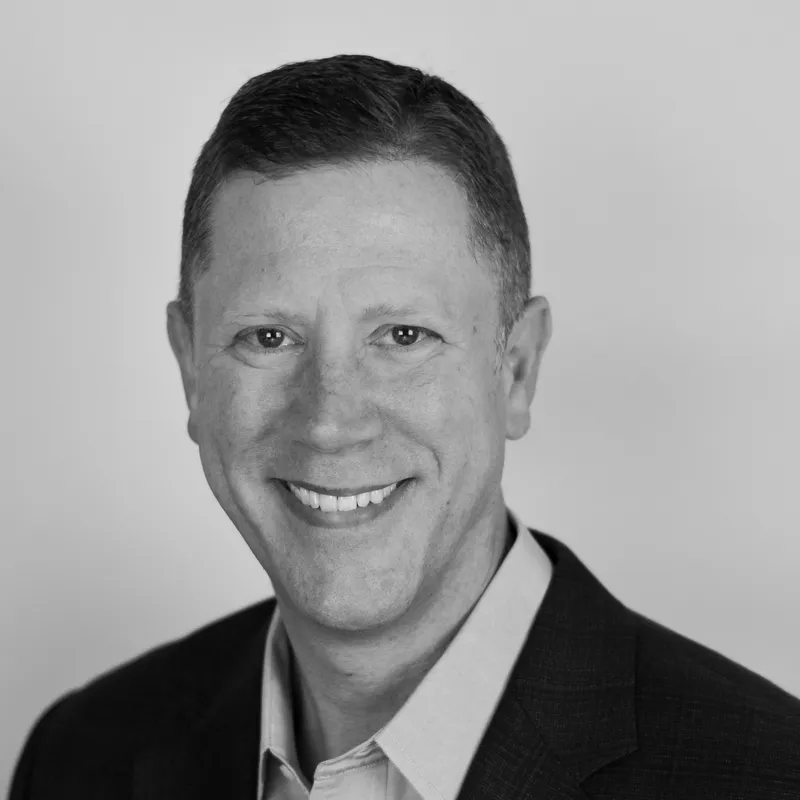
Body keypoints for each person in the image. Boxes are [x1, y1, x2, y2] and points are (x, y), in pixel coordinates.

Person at [10, 54, 800, 800]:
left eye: (403, 336)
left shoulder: (766, 775)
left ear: (516, 369)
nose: (330, 422)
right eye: (269, 337)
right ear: (191, 368)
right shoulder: (81, 758)